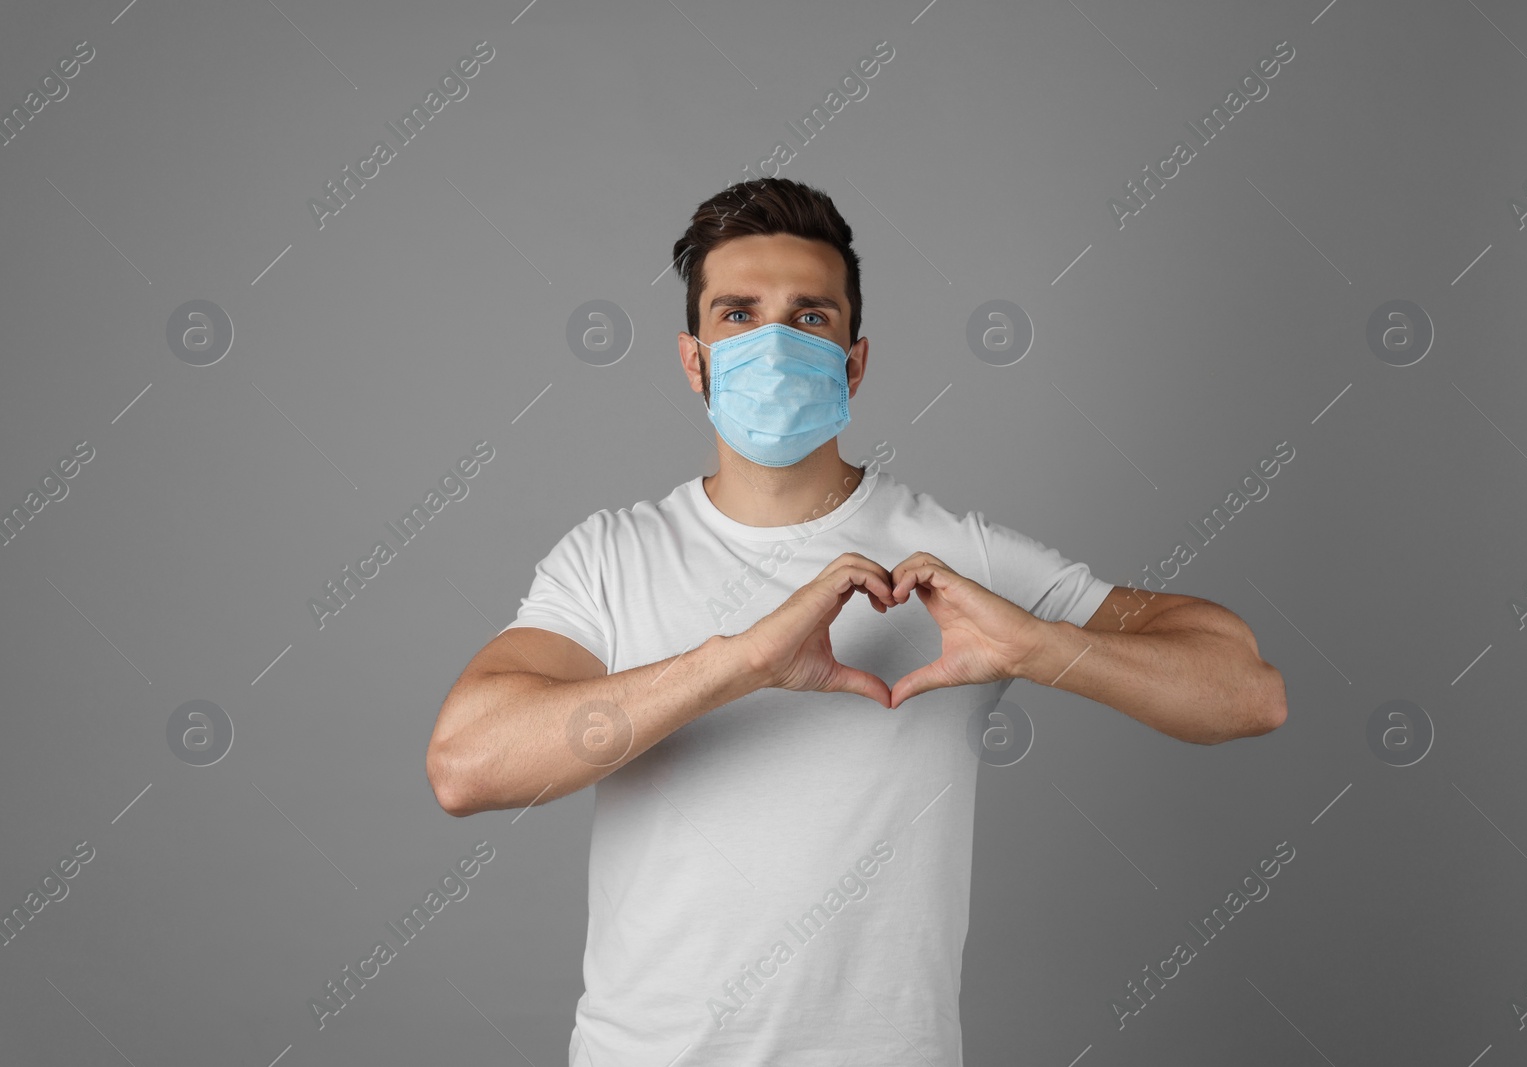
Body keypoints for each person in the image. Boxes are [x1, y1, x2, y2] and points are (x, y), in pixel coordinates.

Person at [425, 177, 1287, 1065]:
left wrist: (1037, 646)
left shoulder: (959, 560)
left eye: (809, 318)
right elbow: (465, 763)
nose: (773, 341)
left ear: (855, 359)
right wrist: (741, 661)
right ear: (694, 361)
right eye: (737, 315)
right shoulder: (609, 556)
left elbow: (1245, 691)